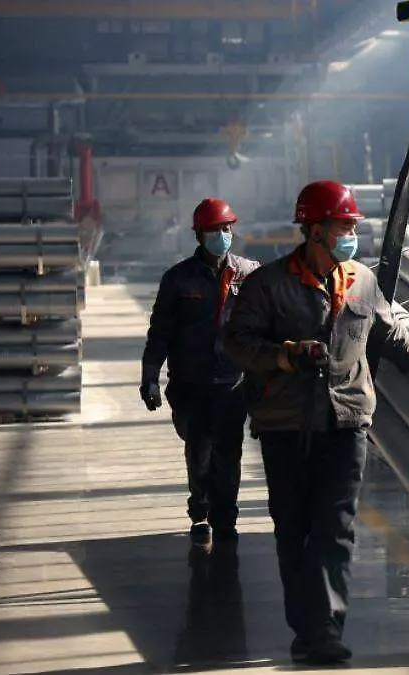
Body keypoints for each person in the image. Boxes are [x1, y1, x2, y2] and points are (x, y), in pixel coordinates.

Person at [223, 180, 409, 665]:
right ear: (314, 230)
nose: (350, 235)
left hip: (347, 421)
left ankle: (326, 630)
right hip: (286, 426)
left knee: (335, 527)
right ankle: (307, 629)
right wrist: (285, 355)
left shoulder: (363, 280)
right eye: (342, 227)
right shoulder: (268, 285)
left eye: (352, 227)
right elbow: (236, 343)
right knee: (294, 529)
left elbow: (390, 334)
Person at [141, 198, 260, 553]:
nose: (222, 234)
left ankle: (225, 518)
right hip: (190, 384)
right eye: (214, 230)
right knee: (199, 450)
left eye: (226, 228)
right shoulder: (178, 280)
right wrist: (150, 376)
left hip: (232, 383)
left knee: (229, 452)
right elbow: (160, 333)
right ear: (199, 235)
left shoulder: (249, 274)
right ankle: (201, 511)